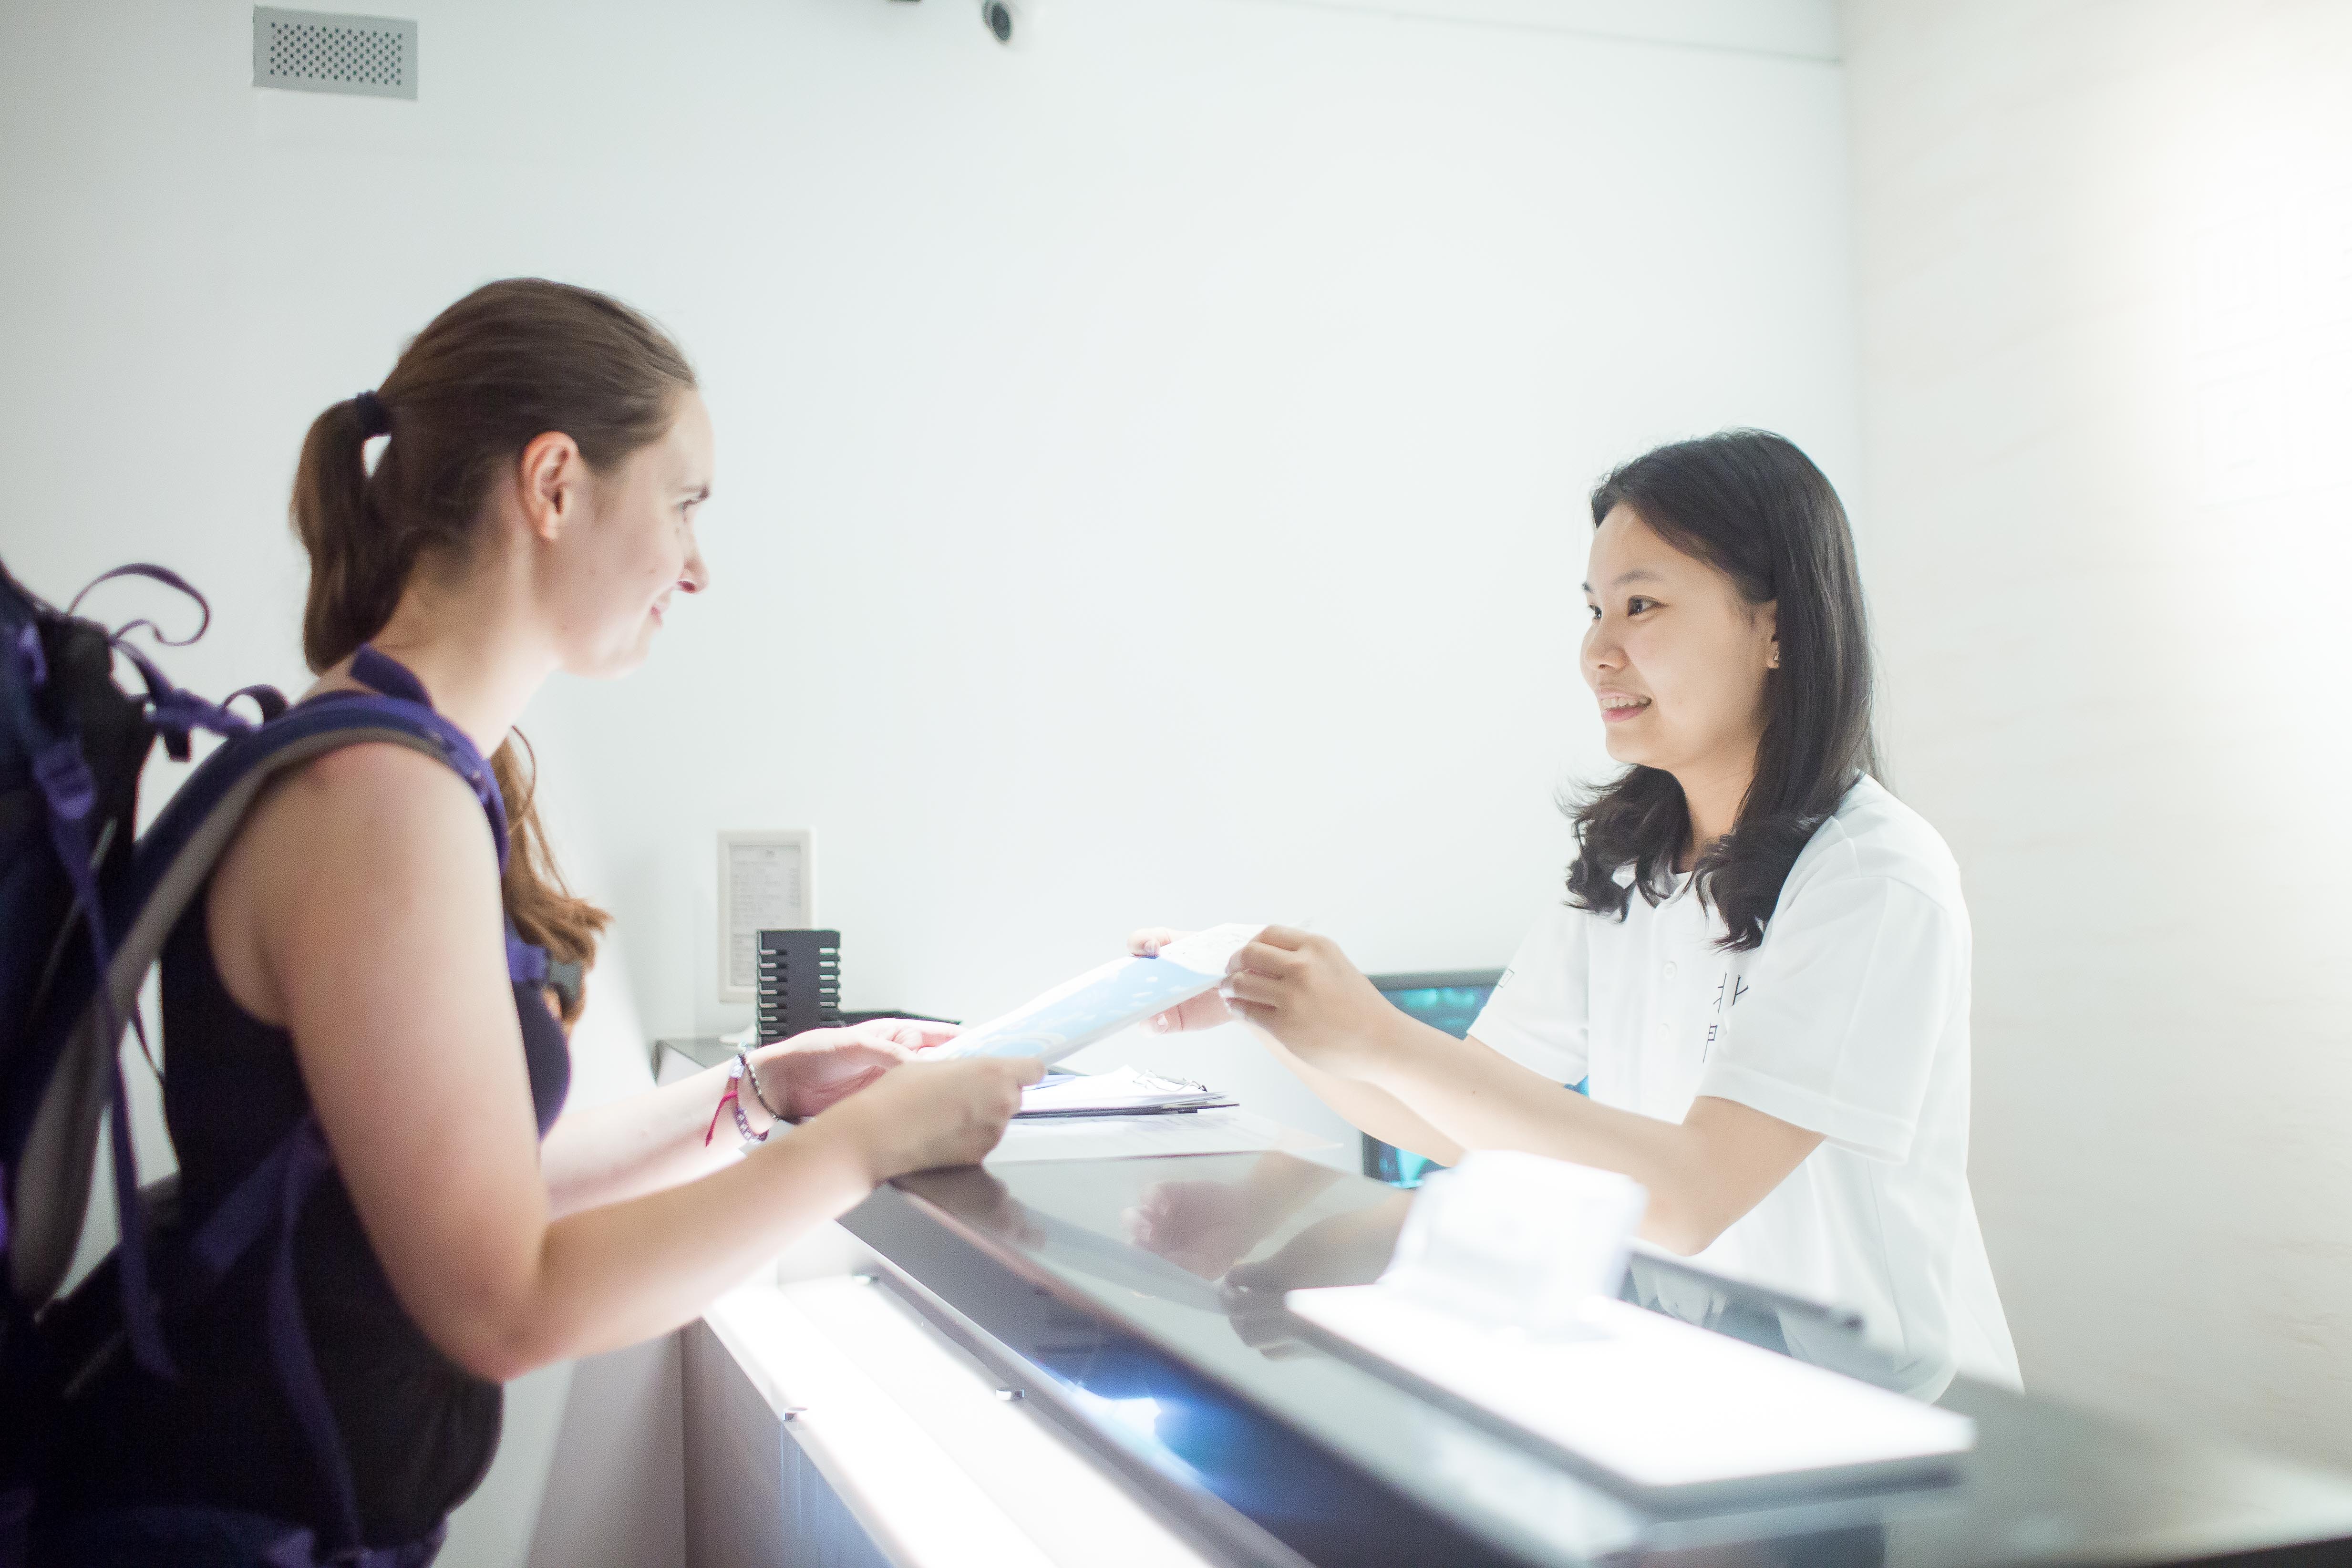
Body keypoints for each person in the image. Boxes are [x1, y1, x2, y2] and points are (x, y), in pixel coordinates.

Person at [36, 279, 1040, 1565]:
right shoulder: (378, 806)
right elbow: (502, 1307)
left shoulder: (397, 765)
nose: (695, 565)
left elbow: (454, 1192)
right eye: (683, 504)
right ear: (555, 484)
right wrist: (860, 1151)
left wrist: (756, 1097)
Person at [1135, 430, 2018, 1398]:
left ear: (1779, 628)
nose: (1598, 651)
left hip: (1884, 1422)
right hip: (1707, 1386)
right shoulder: (1630, 866)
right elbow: (1459, 1120)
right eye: (1596, 610)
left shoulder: (1872, 879)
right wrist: (1265, 1004)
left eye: (1641, 605)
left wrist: (1377, 1032)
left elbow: (1689, 1197)